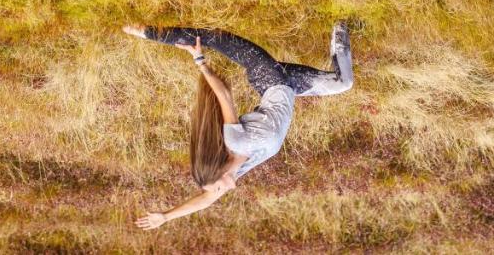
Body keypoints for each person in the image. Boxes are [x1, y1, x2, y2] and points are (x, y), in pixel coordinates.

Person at [122, 21, 353, 229]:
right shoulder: (241, 168)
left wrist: (201, 63)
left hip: (268, 77)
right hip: (289, 86)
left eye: (219, 188)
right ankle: (341, 26)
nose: (224, 192)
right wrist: (165, 217)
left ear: (220, 171)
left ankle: (147, 32)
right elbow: (204, 201)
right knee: (343, 82)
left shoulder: (235, 142)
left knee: (213, 39)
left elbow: (223, 95)